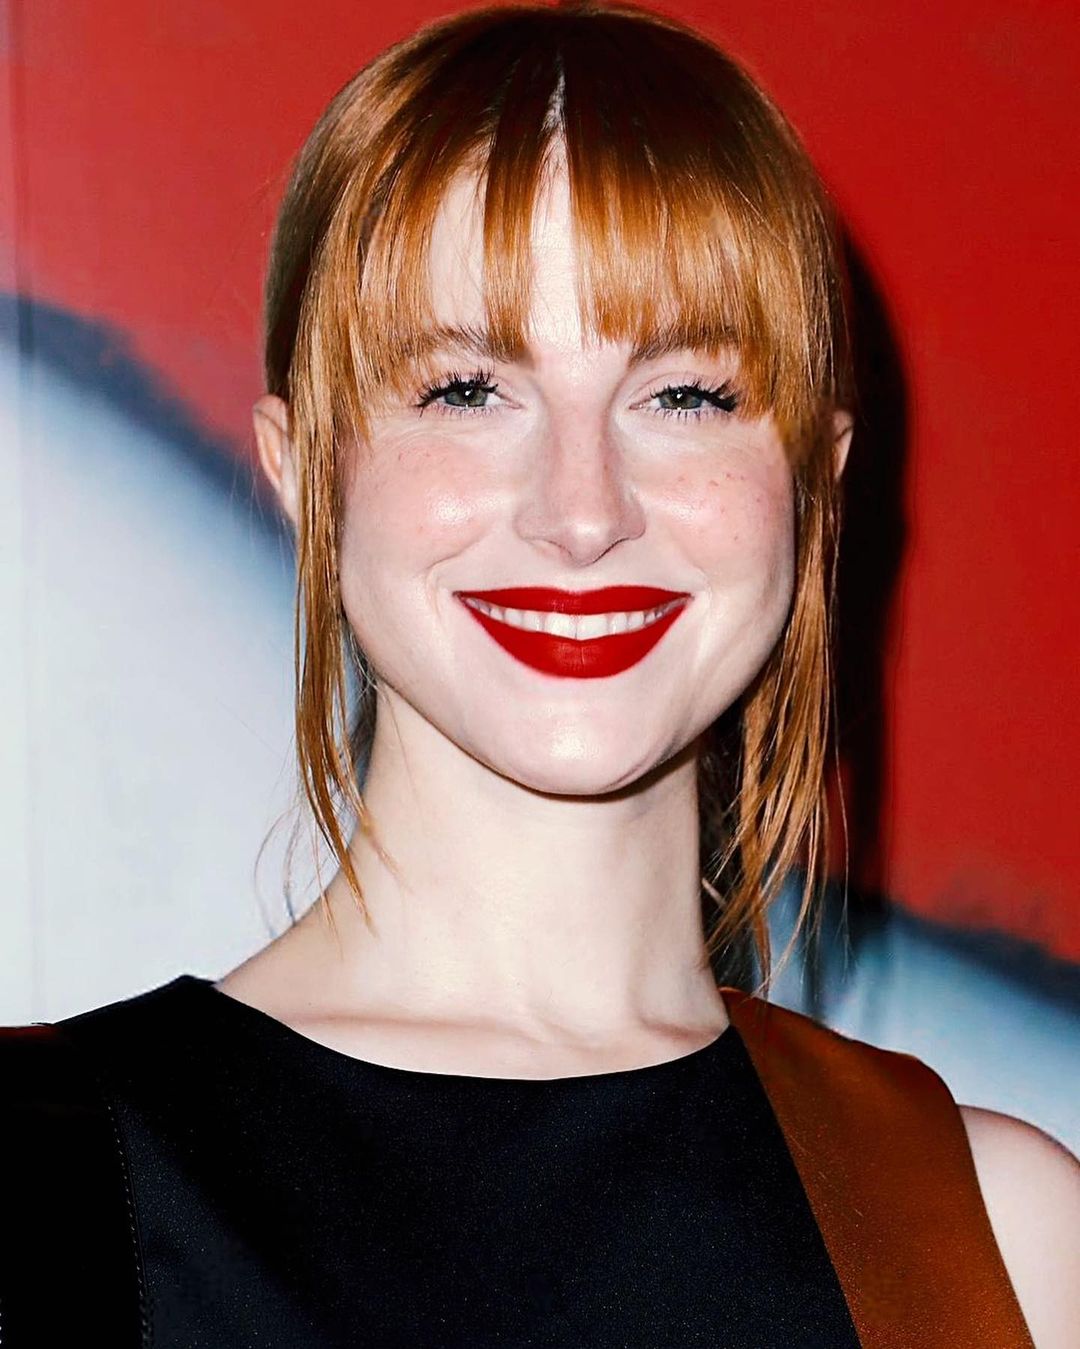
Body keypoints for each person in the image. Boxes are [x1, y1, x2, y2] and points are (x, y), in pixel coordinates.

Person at [2, 3, 1077, 1345]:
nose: (583, 512)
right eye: (467, 389)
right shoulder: (27, 1192)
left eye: (685, 395)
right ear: (303, 467)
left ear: (816, 482)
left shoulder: (999, 1239)